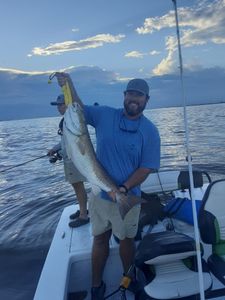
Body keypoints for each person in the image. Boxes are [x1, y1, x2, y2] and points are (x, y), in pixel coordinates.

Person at [56, 73, 160, 300]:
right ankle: (96, 285)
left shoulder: (150, 131)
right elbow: (78, 108)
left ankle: (128, 278)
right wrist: (69, 84)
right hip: (99, 197)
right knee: (99, 238)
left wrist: (122, 189)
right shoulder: (105, 115)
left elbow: (146, 168)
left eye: (139, 96)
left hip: (127, 196)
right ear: (124, 95)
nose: (134, 99)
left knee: (126, 240)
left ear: (146, 100)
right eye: (131, 94)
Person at [48, 94, 89, 228]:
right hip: (70, 159)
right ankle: (83, 209)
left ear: (68, 105)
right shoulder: (66, 120)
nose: (58, 108)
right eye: (58, 105)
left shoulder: (71, 120)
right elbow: (66, 141)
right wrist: (55, 149)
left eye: (61, 104)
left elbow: (76, 141)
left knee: (78, 186)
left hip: (74, 160)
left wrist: (59, 151)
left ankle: (83, 215)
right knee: (77, 186)